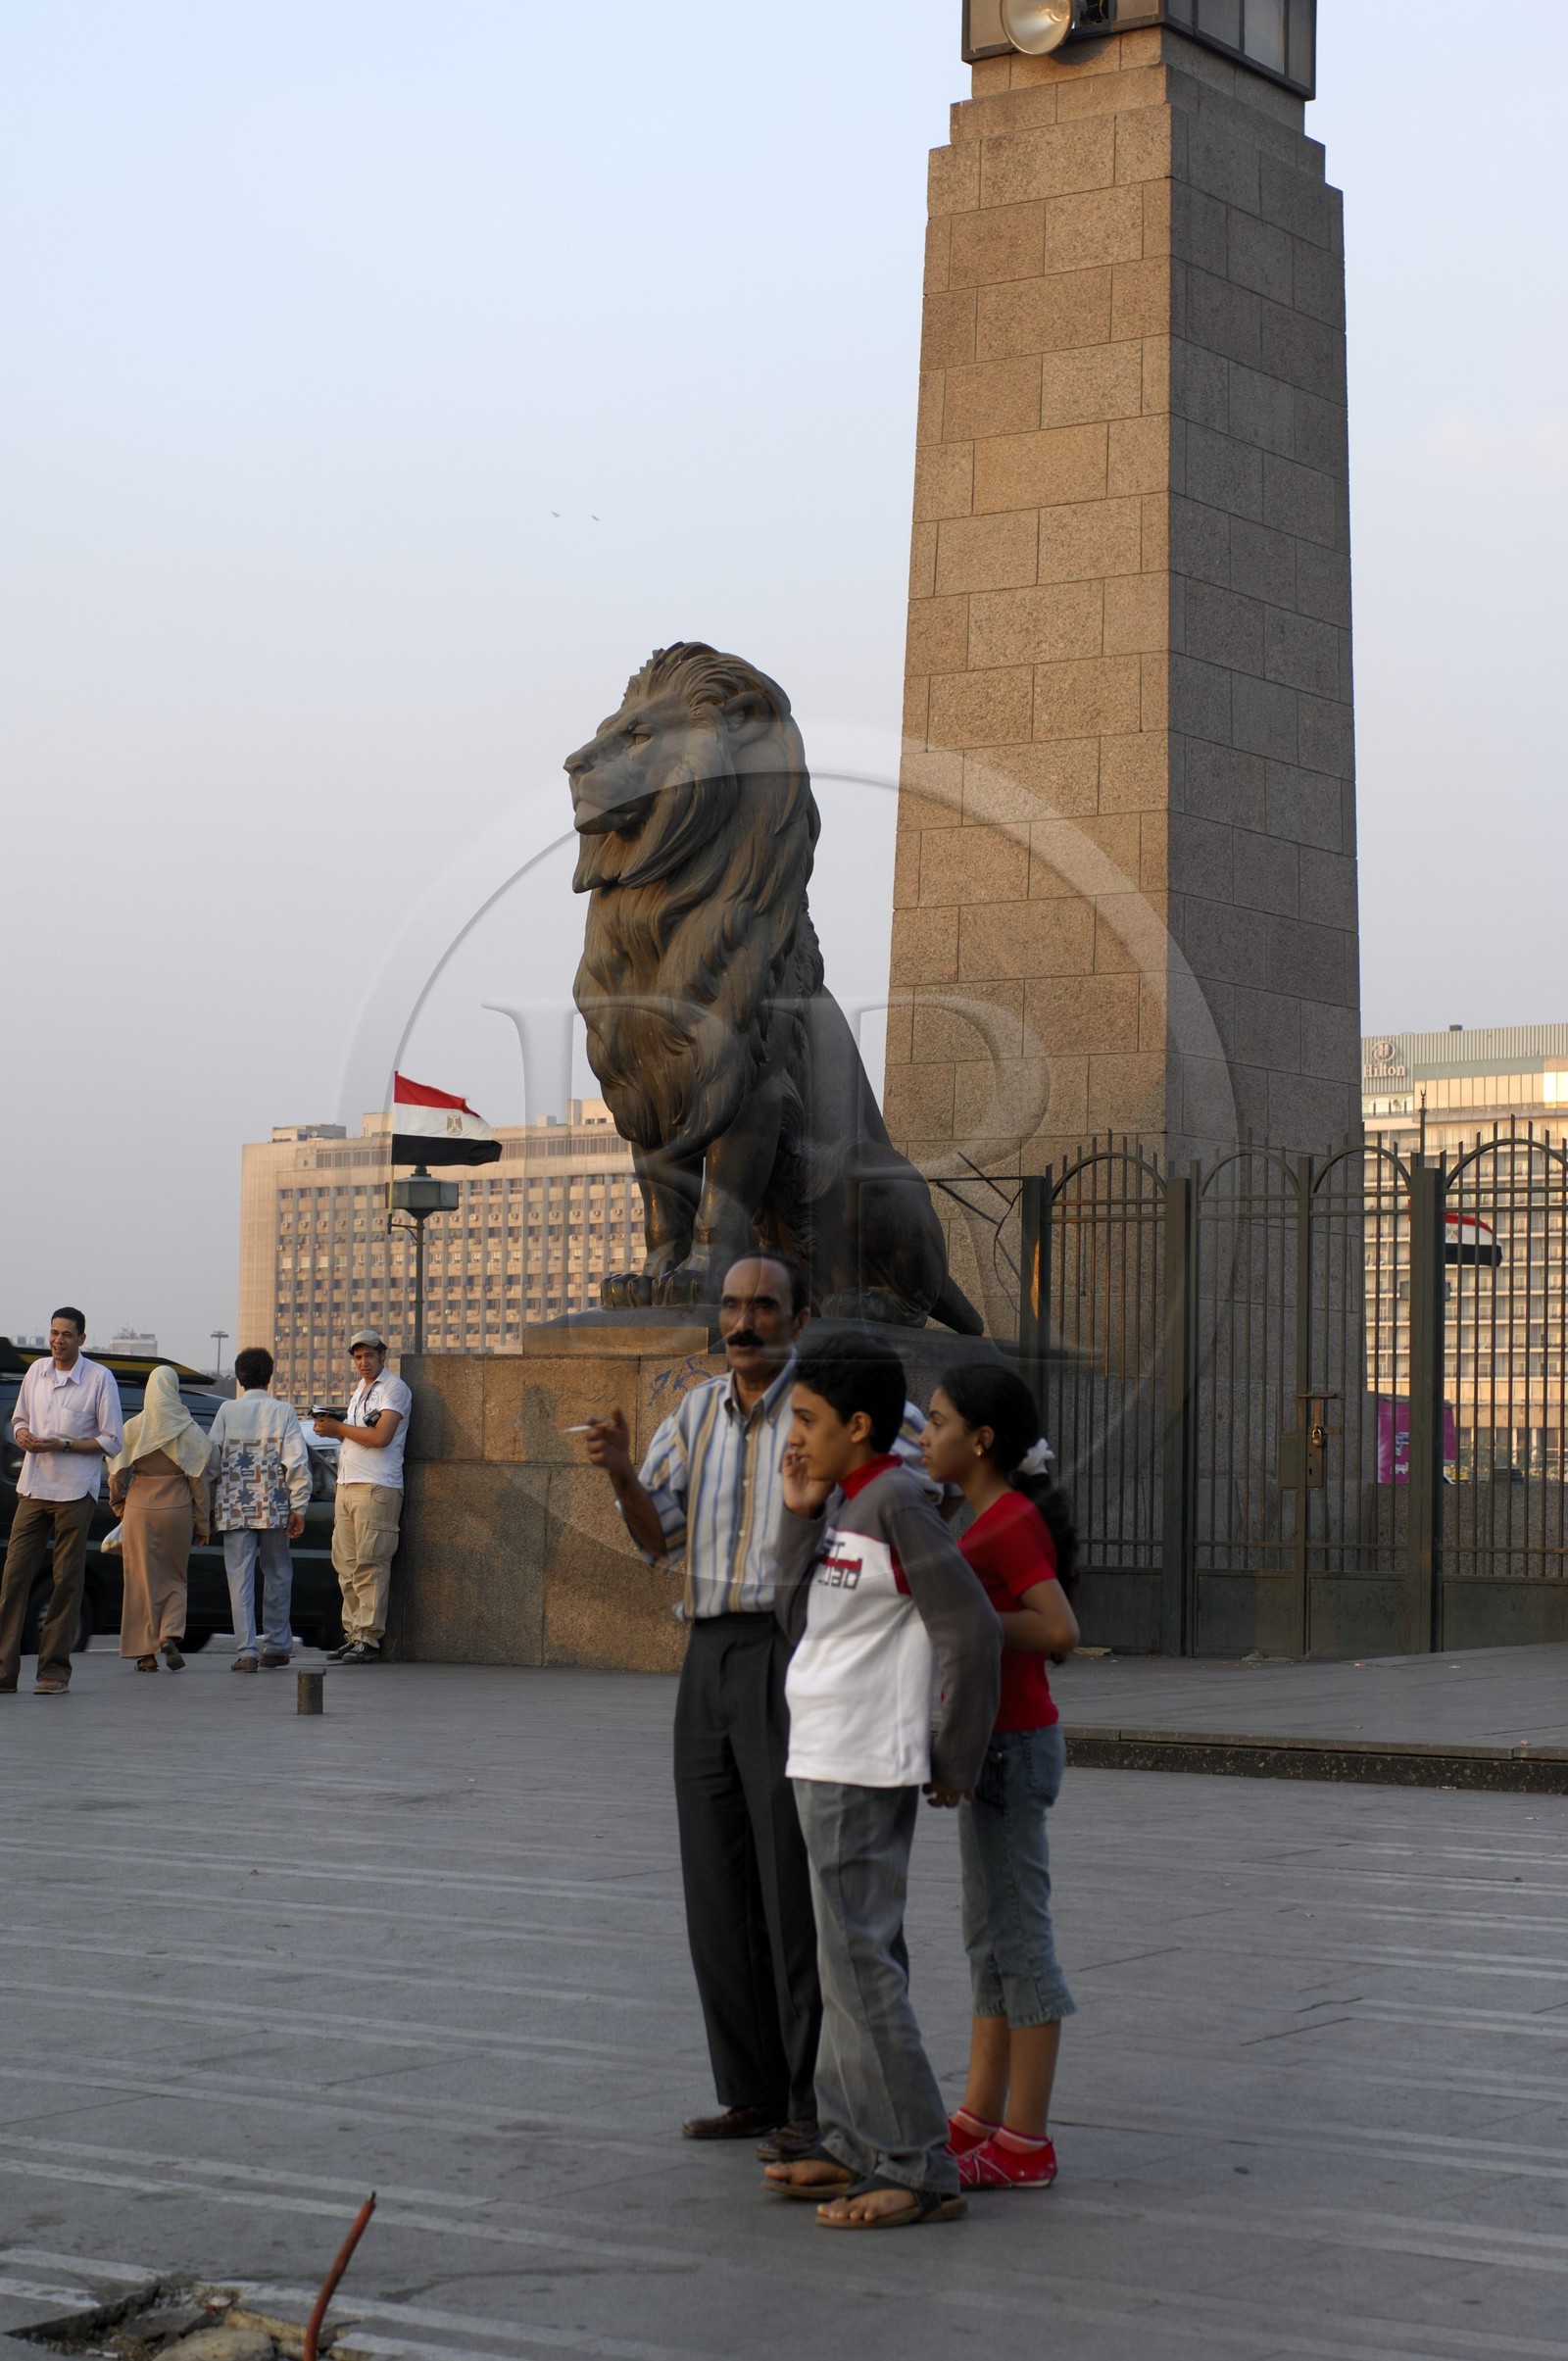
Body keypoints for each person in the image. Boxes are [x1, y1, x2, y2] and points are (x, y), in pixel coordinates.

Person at [763, 1330, 1001, 2230]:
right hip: (821, 1751)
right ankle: (852, 2141)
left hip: (864, 1760)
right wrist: (796, 1508)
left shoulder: (898, 1498)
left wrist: (954, 1756)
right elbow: (797, 1618)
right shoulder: (844, 1498)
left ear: (860, 1425)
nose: (796, 1436)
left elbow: (970, 1630)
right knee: (846, 1961)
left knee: (862, 1963)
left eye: (810, 1421)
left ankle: (916, 2160)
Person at [919, 1362, 1079, 2192]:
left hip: (1015, 1748)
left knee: (1020, 1942)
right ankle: (981, 2115)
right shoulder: (981, 1516)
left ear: (980, 1440)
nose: (926, 1432)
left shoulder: (1008, 1522)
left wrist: (966, 1615)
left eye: (939, 1421)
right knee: (989, 1939)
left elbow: (1059, 1626)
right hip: (995, 1745)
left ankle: (1027, 2142)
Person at [0, 1308, 124, 1697]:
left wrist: (64, 1444)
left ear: (81, 1339)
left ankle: (53, 1672)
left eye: (66, 1335)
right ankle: (4, 1672)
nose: (58, 1341)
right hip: (33, 1487)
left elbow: (112, 1440)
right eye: (53, 1333)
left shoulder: (100, 1379)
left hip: (75, 1492)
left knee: (66, 1583)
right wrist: (22, 1435)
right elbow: (19, 1418)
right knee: (13, 1578)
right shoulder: (36, 1371)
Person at [209, 1345, 311, 1673]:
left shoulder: (226, 1412)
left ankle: (247, 1651)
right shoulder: (283, 1412)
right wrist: (300, 1506)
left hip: (234, 1506)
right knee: (278, 1574)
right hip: (275, 1505)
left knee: (239, 1578)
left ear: (239, 1378)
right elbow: (296, 1463)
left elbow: (211, 1462)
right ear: (269, 1376)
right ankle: (278, 1646)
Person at [313, 1329, 412, 1665]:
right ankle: (353, 1634)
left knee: (371, 1562)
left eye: (369, 1355)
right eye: (358, 1357)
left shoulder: (394, 1389)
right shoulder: (360, 1390)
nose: (363, 1362)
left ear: (383, 1355)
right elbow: (359, 1436)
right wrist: (334, 1427)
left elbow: (382, 1436)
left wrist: (337, 1429)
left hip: (377, 1486)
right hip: (347, 1484)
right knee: (346, 1566)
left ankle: (368, 1638)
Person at [107, 1364, 213, 1672]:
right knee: (175, 1577)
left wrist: (119, 1505)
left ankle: (146, 1653)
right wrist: (202, 1524)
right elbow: (199, 1482)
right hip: (178, 1510)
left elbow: (116, 1474)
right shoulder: (188, 1428)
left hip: (140, 1508)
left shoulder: (135, 1427)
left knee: (140, 1581)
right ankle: (169, 1633)